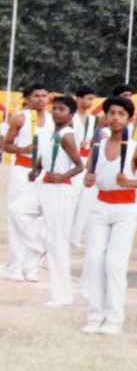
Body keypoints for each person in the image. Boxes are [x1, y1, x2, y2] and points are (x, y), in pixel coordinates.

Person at [81, 95, 137, 335]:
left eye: (121, 114)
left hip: (125, 209)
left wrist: (129, 182)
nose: (115, 118)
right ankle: (95, 316)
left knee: (114, 263)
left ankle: (114, 319)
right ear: (105, 116)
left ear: (129, 119)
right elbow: (90, 176)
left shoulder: (134, 148)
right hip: (100, 207)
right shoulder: (97, 147)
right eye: (111, 113)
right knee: (94, 261)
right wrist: (88, 179)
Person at [10, 95, 82, 306]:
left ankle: (62, 295)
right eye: (55, 108)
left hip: (59, 189)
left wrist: (63, 176)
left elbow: (80, 165)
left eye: (61, 109)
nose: (56, 112)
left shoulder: (68, 135)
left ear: (70, 115)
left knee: (58, 244)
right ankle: (38, 245)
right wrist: (37, 169)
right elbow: (46, 155)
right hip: (44, 184)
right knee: (17, 209)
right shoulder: (54, 132)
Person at [3, 83, 54, 282]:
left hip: (43, 173)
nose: (41, 99)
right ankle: (15, 266)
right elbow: (5, 145)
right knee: (17, 217)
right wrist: (22, 150)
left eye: (44, 95)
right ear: (27, 98)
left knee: (39, 219)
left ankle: (31, 268)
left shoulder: (52, 119)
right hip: (22, 171)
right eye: (36, 96)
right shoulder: (20, 118)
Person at [70, 86, 99, 249]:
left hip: (86, 161)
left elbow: (94, 144)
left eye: (92, 99)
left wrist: (91, 165)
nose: (90, 102)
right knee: (71, 199)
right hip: (71, 161)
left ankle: (76, 236)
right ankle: (65, 233)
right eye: (88, 98)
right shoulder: (70, 117)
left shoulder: (93, 120)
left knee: (85, 202)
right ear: (78, 98)